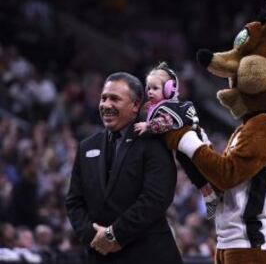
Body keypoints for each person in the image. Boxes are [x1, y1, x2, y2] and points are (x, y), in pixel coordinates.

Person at [65, 72, 183, 264]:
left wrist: (115, 235)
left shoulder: (154, 141)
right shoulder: (86, 146)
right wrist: (93, 237)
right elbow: (74, 201)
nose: (106, 105)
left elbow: (156, 198)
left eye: (115, 99)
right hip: (100, 254)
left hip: (148, 255)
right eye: (103, 98)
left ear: (136, 105)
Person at [133, 62, 217, 219]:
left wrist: (148, 125)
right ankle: (209, 196)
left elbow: (167, 122)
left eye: (155, 88)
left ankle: (216, 191)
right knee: (195, 175)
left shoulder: (167, 108)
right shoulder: (158, 105)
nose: (150, 92)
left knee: (204, 170)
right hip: (184, 147)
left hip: (195, 142)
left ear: (169, 89)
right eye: (148, 88)